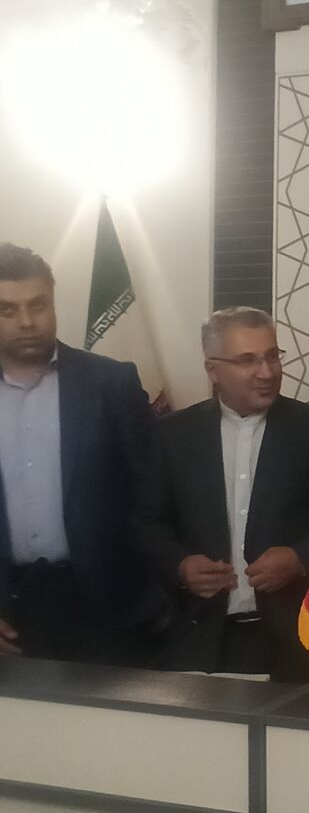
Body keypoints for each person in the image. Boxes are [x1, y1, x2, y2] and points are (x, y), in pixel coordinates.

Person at [139, 307, 309, 679]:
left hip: (295, 639)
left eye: (272, 356)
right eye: (247, 360)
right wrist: (180, 565)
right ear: (213, 369)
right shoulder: (171, 436)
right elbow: (147, 522)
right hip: (198, 635)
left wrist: (299, 558)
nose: (267, 372)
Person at [0, 244, 160, 665]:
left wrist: (152, 599)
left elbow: (154, 494)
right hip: (10, 607)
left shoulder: (110, 384)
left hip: (108, 609)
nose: (27, 321)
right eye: (7, 310)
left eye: (38, 305)